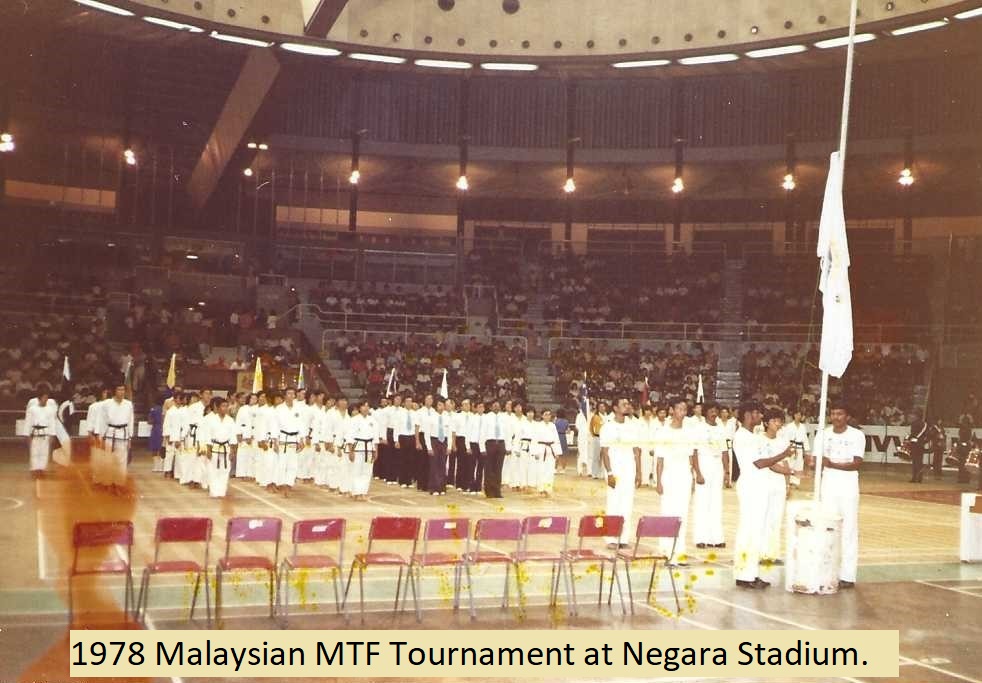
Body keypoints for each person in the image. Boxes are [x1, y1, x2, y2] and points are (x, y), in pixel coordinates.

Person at [732, 402, 786, 589]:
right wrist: (783, 455)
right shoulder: (742, 436)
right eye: (757, 413)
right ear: (748, 415)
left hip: (759, 486)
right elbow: (760, 463)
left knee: (755, 532)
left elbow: (766, 462)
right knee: (749, 531)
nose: (760, 416)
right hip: (751, 485)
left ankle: (750, 573)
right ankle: (744, 575)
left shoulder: (753, 437)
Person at [817, 400, 864, 588]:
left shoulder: (857, 435)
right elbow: (816, 460)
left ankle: (847, 575)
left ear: (847, 416)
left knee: (848, 529)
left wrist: (832, 464)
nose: (836, 417)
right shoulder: (823, 434)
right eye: (833, 414)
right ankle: (826, 571)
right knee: (827, 526)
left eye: (840, 414)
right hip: (828, 485)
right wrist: (814, 463)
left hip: (848, 486)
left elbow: (856, 463)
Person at [655, 397, 704, 562]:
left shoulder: (689, 432)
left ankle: (679, 551)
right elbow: (660, 459)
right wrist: (659, 481)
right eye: (679, 409)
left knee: (682, 513)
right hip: (669, 475)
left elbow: (691, 457)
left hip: (684, 475)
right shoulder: (664, 432)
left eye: (684, 409)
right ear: (672, 410)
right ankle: (667, 550)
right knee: (668, 512)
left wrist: (693, 478)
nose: (682, 412)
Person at [599, 398, 642, 547]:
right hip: (615, 470)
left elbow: (636, 451)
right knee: (614, 503)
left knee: (627, 504)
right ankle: (611, 538)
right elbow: (605, 452)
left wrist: (639, 472)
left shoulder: (632, 426)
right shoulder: (608, 427)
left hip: (629, 469)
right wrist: (609, 473)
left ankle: (623, 538)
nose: (627, 406)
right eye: (623, 404)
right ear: (615, 408)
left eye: (628, 404)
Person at [759, 408, 794, 564]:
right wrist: (792, 472)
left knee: (776, 518)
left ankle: (773, 553)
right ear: (766, 423)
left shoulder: (782, 441)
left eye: (779, 421)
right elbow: (769, 464)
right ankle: (761, 552)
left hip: (779, 483)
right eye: (774, 421)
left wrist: (788, 484)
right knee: (763, 518)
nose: (777, 424)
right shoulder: (759, 440)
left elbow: (786, 463)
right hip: (764, 481)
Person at [693, 402, 729, 549]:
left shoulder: (721, 429)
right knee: (702, 502)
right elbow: (694, 452)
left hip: (717, 465)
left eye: (716, 411)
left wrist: (727, 472)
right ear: (705, 413)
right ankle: (701, 538)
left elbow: (725, 452)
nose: (714, 413)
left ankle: (716, 538)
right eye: (711, 411)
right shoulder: (699, 428)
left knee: (716, 502)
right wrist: (698, 472)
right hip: (704, 463)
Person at [100, 384, 134, 495]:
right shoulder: (107, 404)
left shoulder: (128, 404)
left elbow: (130, 421)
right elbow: (102, 421)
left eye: (123, 389)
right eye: (119, 389)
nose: (122, 392)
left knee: (122, 461)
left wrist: (130, 437)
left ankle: (118, 484)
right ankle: (108, 483)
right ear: (114, 391)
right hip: (110, 433)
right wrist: (101, 437)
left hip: (123, 434)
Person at [203, 397, 238, 498]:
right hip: (214, 447)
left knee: (225, 470)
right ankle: (214, 491)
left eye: (226, 406)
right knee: (213, 470)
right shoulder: (211, 420)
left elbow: (233, 436)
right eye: (223, 406)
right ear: (217, 408)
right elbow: (207, 435)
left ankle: (222, 491)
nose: (225, 408)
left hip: (226, 447)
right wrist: (208, 450)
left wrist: (233, 451)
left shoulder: (230, 420)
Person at [273, 388, 304, 496]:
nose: (291, 395)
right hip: (283, 438)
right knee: (282, 463)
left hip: (294, 438)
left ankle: (289, 484)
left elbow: (301, 425)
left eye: (293, 394)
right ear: (285, 395)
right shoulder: (279, 408)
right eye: (289, 393)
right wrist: (275, 441)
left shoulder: (298, 408)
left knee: (293, 464)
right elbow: (275, 426)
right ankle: (281, 484)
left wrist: (301, 439)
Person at [346, 401, 379, 500]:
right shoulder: (354, 420)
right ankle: (356, 492)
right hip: (357, 447)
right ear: (359, 408)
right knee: (356, 471)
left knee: (367, 471)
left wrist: (375, 450)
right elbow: (350, 437)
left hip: (369, 448)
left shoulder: (373, 421)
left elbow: (375, 437)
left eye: (368, 406)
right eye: (364, 406)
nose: (366, 408)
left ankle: (363, 492)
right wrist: (351, 451)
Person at [480, 400, 510, 498]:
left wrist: (508, 447)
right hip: (490, 443)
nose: (496, 407)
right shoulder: (486, 417)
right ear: (491, 407)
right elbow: (482, 433)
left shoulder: (504, 417)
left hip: (501, 443)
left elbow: (507, 433)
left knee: (498, 469)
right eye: (494, 405)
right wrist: (482, 448)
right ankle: (489, 491)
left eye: (498, 405)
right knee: (489, 469)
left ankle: (497, 491)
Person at [25, 389, 57, 478]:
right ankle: (35, 469)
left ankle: (42, 469)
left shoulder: (50, 410)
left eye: (47, 398)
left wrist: (52, 435)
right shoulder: (32, 409)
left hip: (46, 433)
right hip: (35, 433)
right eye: (44, 398)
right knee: (34, 452)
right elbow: (28, 422)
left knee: (44, 452)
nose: (46, 400)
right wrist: (27, 434)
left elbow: (52, 423)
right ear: (39, 398)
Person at [424, 398, 451, 496]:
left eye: (442, 405)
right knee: (434, 465)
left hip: (444, 442)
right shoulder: (431, 417)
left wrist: (449, 446)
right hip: (434, 441)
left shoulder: (447, 417)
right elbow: (427, 433)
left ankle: (442, 487)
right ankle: (434, 488)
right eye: (439, 405)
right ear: (436, 406)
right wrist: (429, 447)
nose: (441, 407)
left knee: (442, 465)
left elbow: (450, 432)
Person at [535, 408, 561, 496]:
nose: (547, 416)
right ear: (542, 416)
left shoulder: (552, 426)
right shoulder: (538, 425)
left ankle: (548, 489)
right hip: (541, 449)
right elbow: (535, 439)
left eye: (549, 415)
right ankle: (541, 489)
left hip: (551, 449)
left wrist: (557, 452)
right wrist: (535, 452)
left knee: (550, 471)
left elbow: (556, 439)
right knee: (541, 470)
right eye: (545, 414)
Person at [908, 409, 930, 483]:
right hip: (921, 444)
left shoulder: (914, 424)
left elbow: (913, 434)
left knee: (915, 461)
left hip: (915, 444)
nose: (912, 416)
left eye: (913, 415)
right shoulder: (925, 424)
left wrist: (909, 439)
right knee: (919, 461)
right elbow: (927, 435)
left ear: (917, 416)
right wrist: (923, 442)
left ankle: (914, 477)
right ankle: (919, 478)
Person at [148, 398, 164, 473]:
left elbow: (150, 421)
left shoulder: (153, 409)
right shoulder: (164, 409)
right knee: (161, 447)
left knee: (154, 447)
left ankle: (155, 466)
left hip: (155, 429)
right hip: (162, 428)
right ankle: (160, 466)